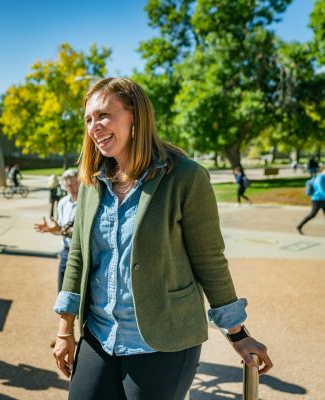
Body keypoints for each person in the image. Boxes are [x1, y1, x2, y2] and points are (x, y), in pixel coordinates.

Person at [52, 78, 272, 399]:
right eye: (88, 119)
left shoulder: (185, 177)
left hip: (164, 340)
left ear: (136, 117)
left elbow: (209, 260)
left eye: (103, 115)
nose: (94, 127)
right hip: (99, 335)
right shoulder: (91, 182)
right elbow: (78, 258)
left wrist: (237, 333)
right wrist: (64, 331)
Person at [35, 170, 79, 293]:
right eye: (69, 185)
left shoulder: (86, 202)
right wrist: (50, 230)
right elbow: (61, 230)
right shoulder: (63, 203)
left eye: (76, 184)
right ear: (65, 186)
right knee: (62, 293)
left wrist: (63, 230)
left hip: (82, 254)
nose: (73, 187)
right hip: (66, 252)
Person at [296, 164, 325, 235]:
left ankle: (299, 227)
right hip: (317, 199)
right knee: (312, 214)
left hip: (323, 199)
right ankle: (299, 226)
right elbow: (321, 189)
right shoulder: (320, 178)